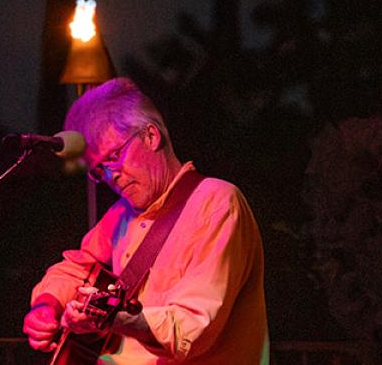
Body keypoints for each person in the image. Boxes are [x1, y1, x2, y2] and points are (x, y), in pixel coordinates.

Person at [22, 78, 269, 363]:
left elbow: (194, 326)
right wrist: (46, 305)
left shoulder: (216, 203)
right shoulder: (121, 215)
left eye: (114, 157)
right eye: (99, 170)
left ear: (151, 136)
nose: (110, 176)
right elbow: (75, 267)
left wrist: (115, 319)